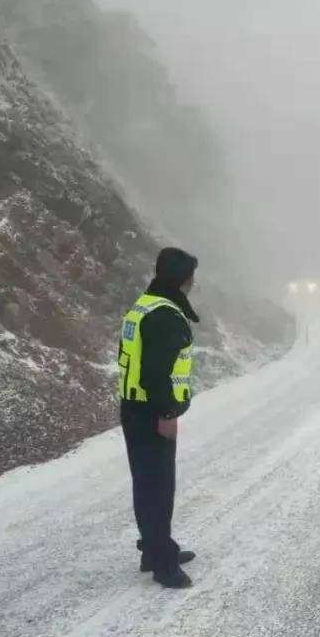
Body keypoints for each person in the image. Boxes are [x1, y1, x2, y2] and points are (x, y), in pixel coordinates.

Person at [117, 247, 200, 589]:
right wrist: (167, 413)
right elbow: (154, 372)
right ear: (183, 279)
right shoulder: (165, 314)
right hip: (152, 413)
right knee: (158, 487)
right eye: (192, 276)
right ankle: (164, 565)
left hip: (135, 407)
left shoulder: (146, 303)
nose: (194, 282)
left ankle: (154, 549)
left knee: (147, 484)